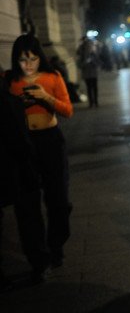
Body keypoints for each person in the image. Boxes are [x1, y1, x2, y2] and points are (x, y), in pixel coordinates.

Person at [7, 34, 74, 270]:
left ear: (39, 58)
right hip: (23, 145)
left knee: (59, 201)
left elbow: (67, 110)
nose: (28, 65)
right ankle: (37, 257)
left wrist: (45, 98)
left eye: (33, 59)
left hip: (50, 141)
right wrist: (19, 105)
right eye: (22, 60)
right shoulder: (9, 81)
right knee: (27, 204)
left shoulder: (52, 77)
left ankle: (56, 244)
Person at [0, 69, 47, 285]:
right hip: (16, 169)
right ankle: (38, 262)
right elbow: (20, 141)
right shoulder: (8, 102)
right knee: (29, 217)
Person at [76, 36, 100, 107]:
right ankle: (92, 102)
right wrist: (85, 63)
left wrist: (92, 61)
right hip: (87, 72)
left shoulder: (93, 52)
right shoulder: (81, 51)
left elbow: (98, 62)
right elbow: (79, 64)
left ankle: (95, 102)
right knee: (90, 87)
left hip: (92, 72)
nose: (88, 46)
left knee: (93, 87)